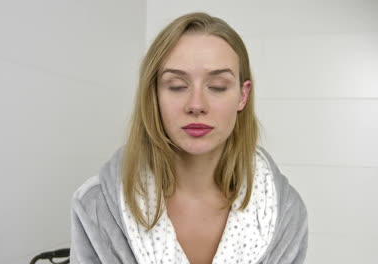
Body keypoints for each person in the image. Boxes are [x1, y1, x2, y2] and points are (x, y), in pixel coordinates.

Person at [69, 12, 308, 264]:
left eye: (217, 86)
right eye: (176, 86)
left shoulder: (286, 212)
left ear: (242, 96)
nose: (196, 105)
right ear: (154, 95)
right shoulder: (96, 207)